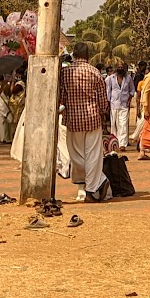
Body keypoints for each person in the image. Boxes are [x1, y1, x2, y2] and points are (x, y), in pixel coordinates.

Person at [60, 41, 111, 202]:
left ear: (74, 55)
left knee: (76, 155)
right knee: (93, 155)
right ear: (88, 56)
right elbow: (103, 102)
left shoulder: (65, 73)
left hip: (73, 119)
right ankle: (95, 185)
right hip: (93, 118)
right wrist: (104, 115)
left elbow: (62, 97)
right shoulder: (95, 72)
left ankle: (90, 183)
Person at [105, 60, 136, 152]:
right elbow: (108, 90)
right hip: (114, 104)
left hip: (124, 104)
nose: (120, 69)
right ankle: (114, 143)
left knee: (123, 124)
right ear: (116, 68)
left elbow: (132, 90)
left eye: (122, 67)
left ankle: (122, 144)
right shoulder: (111, 78)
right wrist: (108, 102)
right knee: (114, 125)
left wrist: (129, 99)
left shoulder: (128, 78)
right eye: (119, 67)